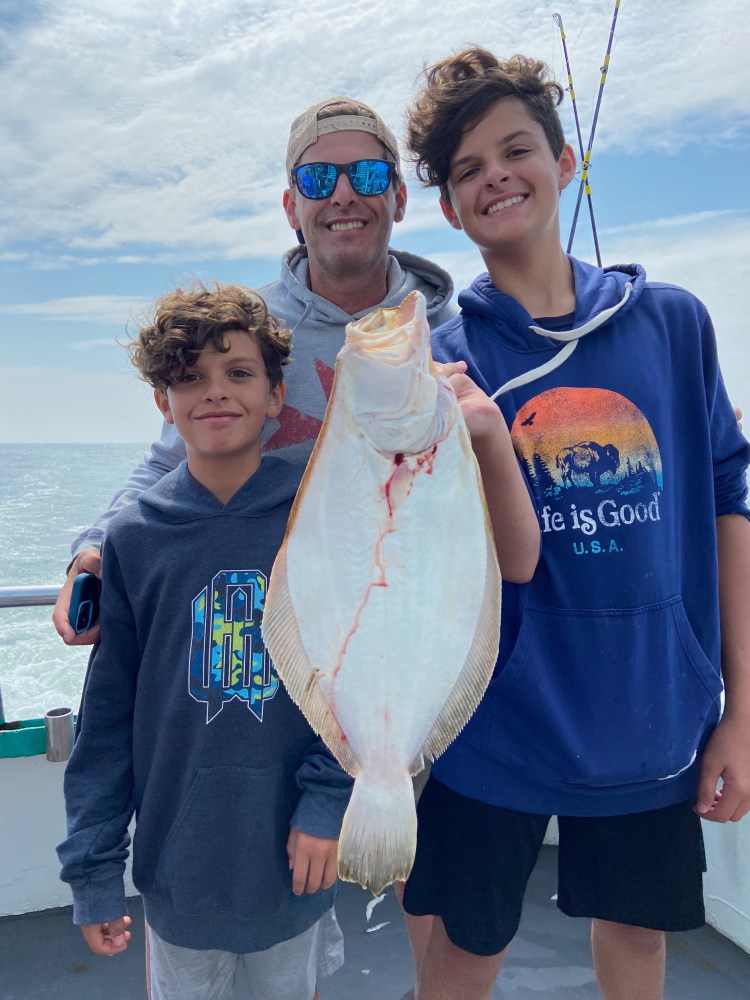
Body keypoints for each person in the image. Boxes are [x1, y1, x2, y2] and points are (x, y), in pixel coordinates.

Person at [400, 47, 750, 1000]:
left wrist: (740, 716)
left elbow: (730, 504)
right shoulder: (441, 365)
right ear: (449, 207)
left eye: (516, 150)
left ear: (565, 164)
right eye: (467, 169)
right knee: (464, 945)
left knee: (637, 941)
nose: (495, 177)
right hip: (494, 732)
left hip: (652, 723)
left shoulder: (675, 323)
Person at [52, 96, 458, 645]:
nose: (343, 193)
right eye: (317, 179)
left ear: (399, 197)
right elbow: (171, 462)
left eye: (367, 174)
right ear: (292, 207)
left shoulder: (450, 333)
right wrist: (97, 547)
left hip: (414, 618)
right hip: (273, 629)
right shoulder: (242, 336)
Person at [57, 282, 352, 1000]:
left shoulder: (317, 517)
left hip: (296, 854)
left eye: (239, 373)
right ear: (163, 404)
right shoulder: (131, 538)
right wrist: (96, 874)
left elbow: (348, 682)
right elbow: (106, 724)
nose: (215, 393)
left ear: (278, 396)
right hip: (179, 871)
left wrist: (326, 807)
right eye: (188, 378)